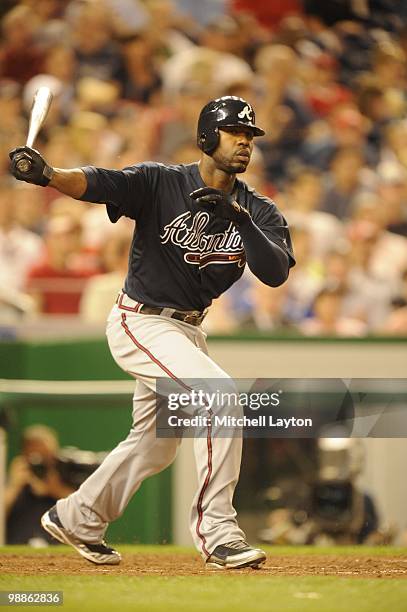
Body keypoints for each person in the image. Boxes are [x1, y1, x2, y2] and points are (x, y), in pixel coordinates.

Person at [9, 95, 295, 569]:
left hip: (187, 331)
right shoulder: (162, 181)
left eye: (250, 135)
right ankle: (217, 530)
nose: (245, 141)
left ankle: (79, 516)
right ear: (206, 137)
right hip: (141, 319)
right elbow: (100, 182)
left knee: (155, 444)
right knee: (218, 396)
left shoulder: (257, 209)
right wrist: (49, 175)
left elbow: (277, 272)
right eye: (234, 132)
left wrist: (238, 219)